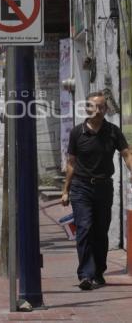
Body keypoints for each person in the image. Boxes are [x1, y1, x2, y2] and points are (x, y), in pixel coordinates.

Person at [61, 91, 132, 290]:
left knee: (101, 231)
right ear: (87, 108)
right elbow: (72, 163)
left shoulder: (112, 131)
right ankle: (85, 274)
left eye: (102, 107)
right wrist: (65, 190)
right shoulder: (77, 132)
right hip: (81, 187)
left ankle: (98, 271)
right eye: (94, 106)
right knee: (84, 228)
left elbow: (126, 154)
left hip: (103, 187)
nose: (98, 110)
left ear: (106, 109)